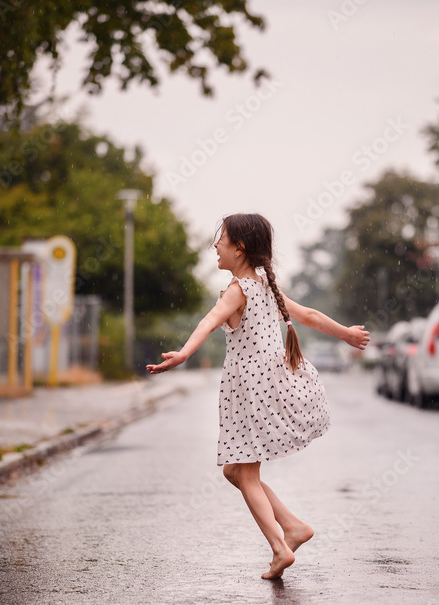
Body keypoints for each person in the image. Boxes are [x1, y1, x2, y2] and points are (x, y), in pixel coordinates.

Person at [147, 213, 370, 579]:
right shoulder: (265, 285)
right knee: (236, 470)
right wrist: (345, 333)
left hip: (249, 391)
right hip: (269, 383)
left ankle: (280, 548)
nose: (215, 246)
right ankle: (293, 527)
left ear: (240, 248)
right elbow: (310, 316)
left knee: (246, 474)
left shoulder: (238, 290)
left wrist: (184, 354)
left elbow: (208, 320)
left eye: (221, 240)